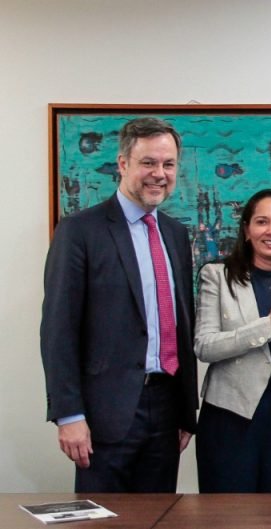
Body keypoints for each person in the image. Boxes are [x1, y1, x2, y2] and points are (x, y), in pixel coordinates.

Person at [40, 117, 198, 492]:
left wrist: (185, 411)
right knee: (100, 520)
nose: (159, 174)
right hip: (103, 415)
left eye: (168, 164)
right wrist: (69, 415)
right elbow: (58, 329)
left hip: (166, 410)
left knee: (159, 518)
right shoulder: (79, 231)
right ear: (123, 164)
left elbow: (181, 323)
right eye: (148, 163)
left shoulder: (176, 234)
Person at [193, 189, 271, 492]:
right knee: (228, 518)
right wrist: (268, 324)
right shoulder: (217, 277)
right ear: (247, 230)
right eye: (262, 222)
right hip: (230, 419)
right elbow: (204, 346)